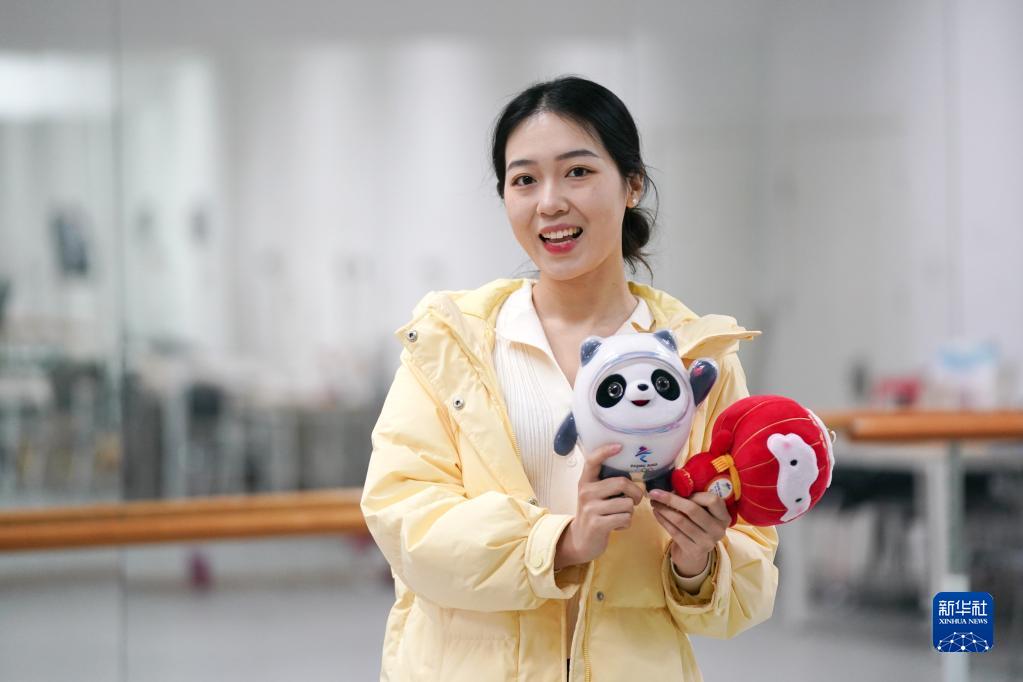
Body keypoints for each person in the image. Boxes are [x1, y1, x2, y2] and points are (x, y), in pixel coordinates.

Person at [361, 76, 778, 682]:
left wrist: (698, 560)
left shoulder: (696, 359)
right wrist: (562, 543)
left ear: (632, 184)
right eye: (524, 180)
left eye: (577, 172)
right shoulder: (451, 344)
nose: (550, 202)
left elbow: (753, 570)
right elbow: (406, 520)